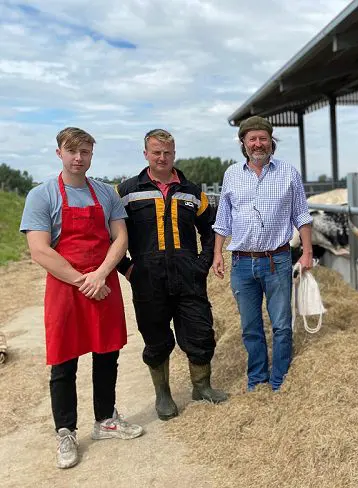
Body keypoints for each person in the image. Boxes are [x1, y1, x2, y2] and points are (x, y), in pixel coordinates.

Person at [20, 127, 143, 470]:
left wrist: (101, 274)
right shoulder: (42, 195)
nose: (78, 158)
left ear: (91, 155)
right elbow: (39, 249)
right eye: (72, 151)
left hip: (102, 281)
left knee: (107, 353)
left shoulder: (106, 194)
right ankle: (65, 431)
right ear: (59, 153)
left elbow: (120, 238)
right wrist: (82, 280)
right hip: (66, 287)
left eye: (85, 152)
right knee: (64, 362)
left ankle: (105, 419)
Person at [116, 128, 227, 421]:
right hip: (147, 280)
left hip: (188, 278)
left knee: (201, 334)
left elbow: (212, 228)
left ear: (174, 154)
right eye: (156, 152)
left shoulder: (192, 192)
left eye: (167, 152)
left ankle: (201, 387)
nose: (162, 157)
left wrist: (202, 264)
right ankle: (163, 395)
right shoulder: (125, 191)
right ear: (146, 155)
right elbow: (109, 235)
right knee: (156, 340)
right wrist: (126, 268)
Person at [212, 116, 313, 392]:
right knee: (250, 326)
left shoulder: (288, 173)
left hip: (277, 260)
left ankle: (279, 378)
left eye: (263, 138)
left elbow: (302, 215)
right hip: (243, 263)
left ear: (271, 141)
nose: (258, 144)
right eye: (252, 139)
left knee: (281, 324)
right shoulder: (231, 174)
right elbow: (223, 219)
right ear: (243, 143)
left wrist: (306, 252)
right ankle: (258, 378)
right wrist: (217, 253)